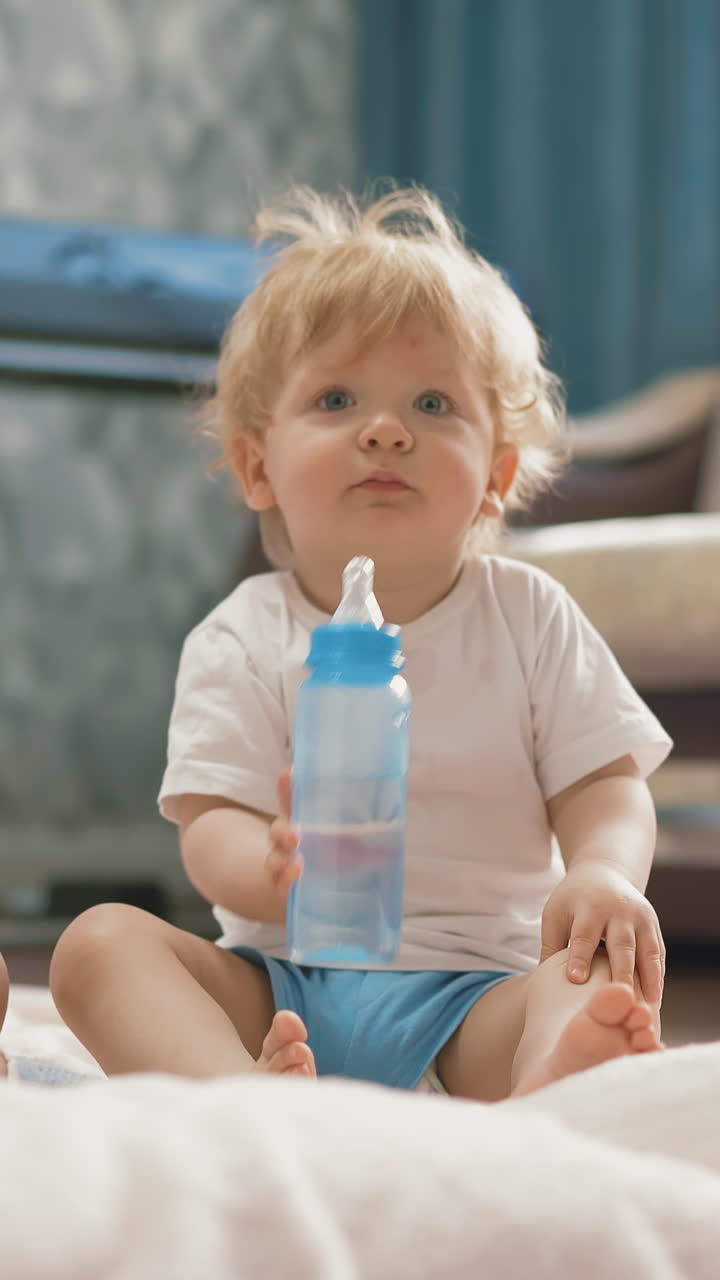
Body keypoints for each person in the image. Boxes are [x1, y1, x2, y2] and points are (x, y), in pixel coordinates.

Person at [49, 185, 671, 1099]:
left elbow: (606, 783)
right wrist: (266, 868)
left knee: (589, 981)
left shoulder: (528, 616)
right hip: (283, 985)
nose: (387, 430)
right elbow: (210, 819)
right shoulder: (244, 634)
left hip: (479, 991)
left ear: (496, 476)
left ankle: (556, 1077)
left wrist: (605, 873)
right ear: (259, 465)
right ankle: (246, 1094)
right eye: (338, 399)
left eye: (432, 403)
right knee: (99, 943)